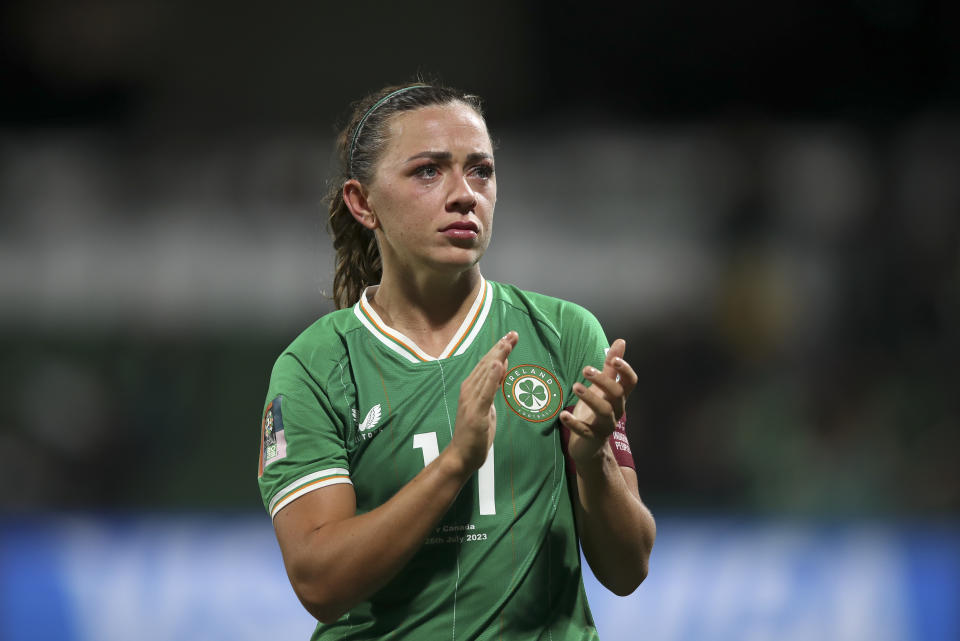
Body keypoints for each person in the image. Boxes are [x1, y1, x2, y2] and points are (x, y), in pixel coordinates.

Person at [257, 82, 656, 641]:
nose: (465, 193)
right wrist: (454, 464)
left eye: (481, 171)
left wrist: (594, 463)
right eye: (428, 171)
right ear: (362, 202)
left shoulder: (565, 334)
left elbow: (629, 569)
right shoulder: (315, 367)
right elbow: (320, 584)